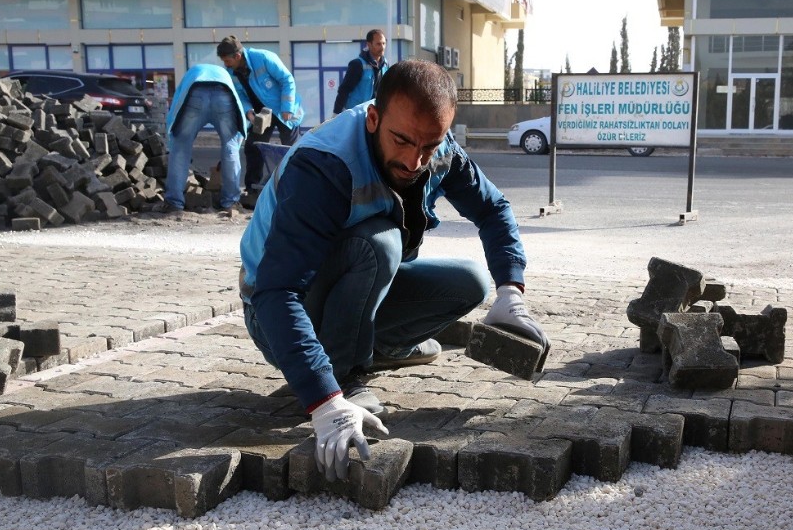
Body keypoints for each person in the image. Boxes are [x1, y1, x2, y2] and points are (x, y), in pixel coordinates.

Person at [239, 59, 548, 482]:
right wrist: (324, 400)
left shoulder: (436, 150)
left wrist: (511, 290)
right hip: (273, 315)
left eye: (429, 145)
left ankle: (375, 347)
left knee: (471, 283)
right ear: (373, 118)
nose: (414, 160)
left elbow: (493, 209)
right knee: (378, 243)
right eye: (402, 141)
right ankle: (345, 377)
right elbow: (277, 291)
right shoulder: (324, 165)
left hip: (349, 287)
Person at [217, 35, 305, 192]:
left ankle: (296, 186)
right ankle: (252, 188)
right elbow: (239, 95)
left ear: (237, 56)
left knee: (292, 149)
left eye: (228, 61)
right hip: (261, 114)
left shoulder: (264, 58)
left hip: (285, 110)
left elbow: (287, 80)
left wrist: (287, 108)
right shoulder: (231, 71)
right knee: (253, 147)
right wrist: (248, 112)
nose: (226, 65)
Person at [157, 63, 247, 214]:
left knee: (181, 147)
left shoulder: (192, 73)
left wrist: (172, 136)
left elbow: (176, 105)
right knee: (230, 146)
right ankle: (230, 202)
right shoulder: (224, 74)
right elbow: (238, 105)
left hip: (195, 94)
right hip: (223, 95)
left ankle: (174, 203)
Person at [333, 29, 389, 116]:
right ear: (369, 45)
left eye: (384, 43)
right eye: (378, 44)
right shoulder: (357, 64)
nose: (382, 47)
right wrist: (336, 113)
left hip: (374, 113)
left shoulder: (385, 64)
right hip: (356, 114)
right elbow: (344, 90)